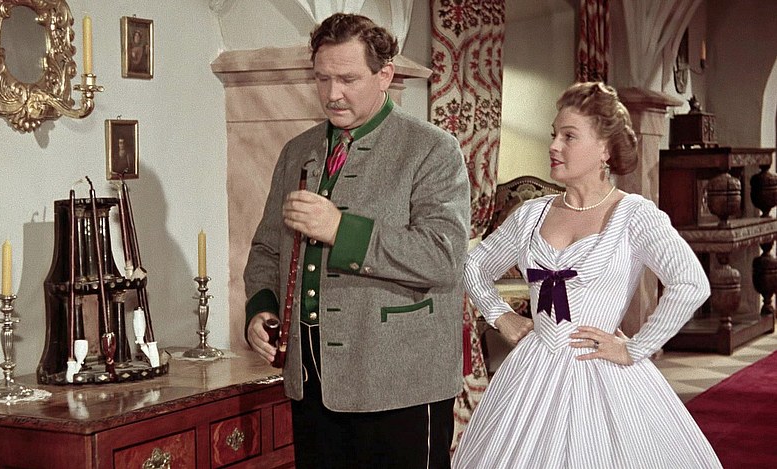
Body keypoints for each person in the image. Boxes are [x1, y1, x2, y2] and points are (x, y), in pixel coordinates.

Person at [452, 82, 721, 468]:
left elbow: (691, 283)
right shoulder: (531, 215)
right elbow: (473, 264)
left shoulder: (634, 215)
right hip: (532, 370)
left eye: (569, 136)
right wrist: (501, 316)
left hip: (601, 369)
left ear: (605, 149)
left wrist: (635, 348)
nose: (553, 146)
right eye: (554, 134)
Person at [243, 13, 470, 469]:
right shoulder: (297, 151)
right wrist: (260, 309)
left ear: (384, 74)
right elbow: (267, 248)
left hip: (400, 384)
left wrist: (340, 230)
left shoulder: (432, 148)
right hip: (311, 381)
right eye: (322, 78)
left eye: (347, 79)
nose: (332, 93)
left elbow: (443, 255)